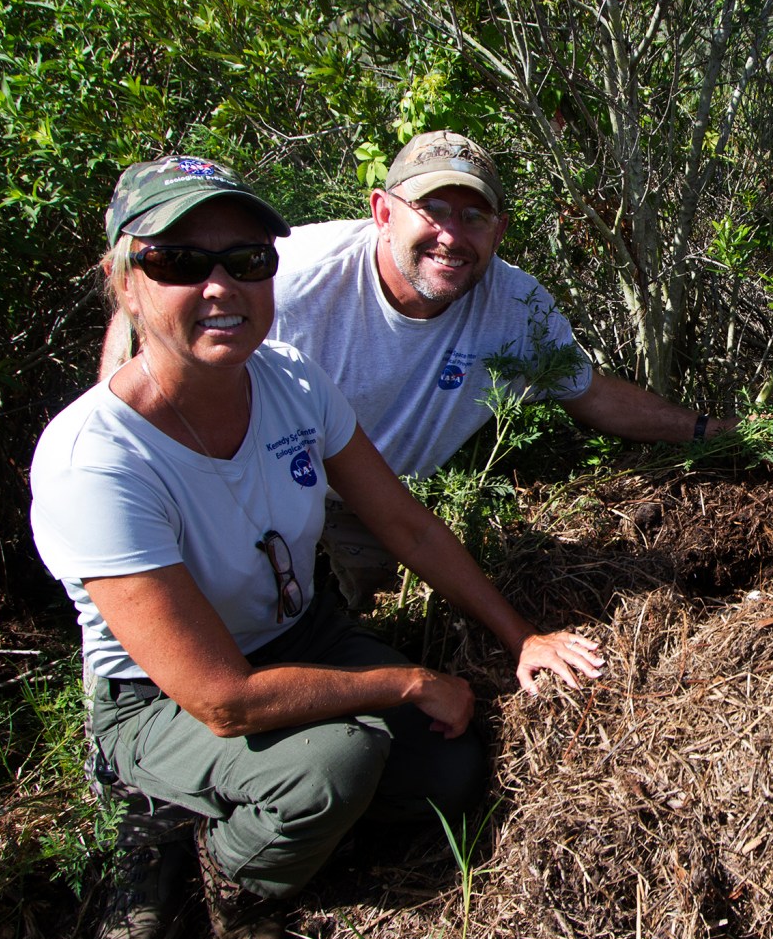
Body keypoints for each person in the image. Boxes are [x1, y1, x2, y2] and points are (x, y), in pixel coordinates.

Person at [33, 156, 605, 939]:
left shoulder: (292, 382)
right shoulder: (98, 460)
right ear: (125, 281)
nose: (222, 286)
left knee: (449, 769)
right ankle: (209, 862)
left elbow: (401, 520)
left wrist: (519, 633)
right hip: (159, 696)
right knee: (334, 763)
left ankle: (262, 811)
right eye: (181, 262)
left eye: (248, 260)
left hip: (300, 631)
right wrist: (406, 682)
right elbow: (223, 696)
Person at [269, 131, 733, 606]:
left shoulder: (515, 306)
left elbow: (591, 394)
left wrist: (708, 430)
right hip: (262, 485)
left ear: (499, 230)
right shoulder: (286, 282)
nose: (451, 236)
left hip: (377, 507)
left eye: (474, 217)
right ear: (384, 213)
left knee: (366, 622)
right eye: (433, 209)